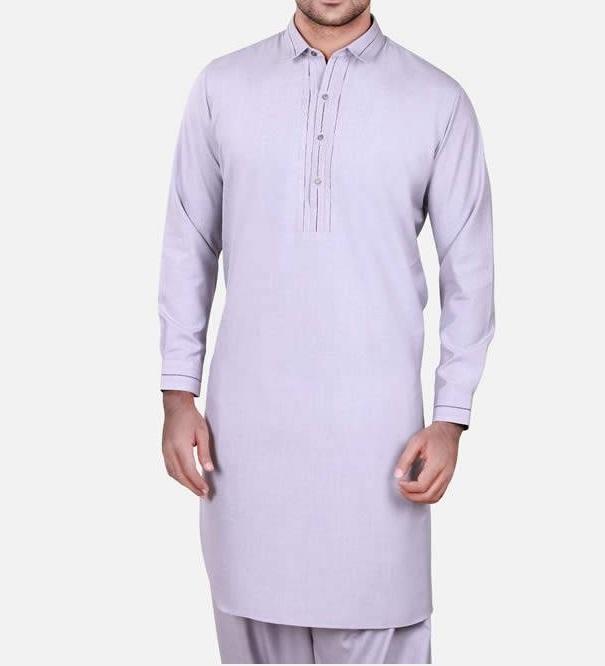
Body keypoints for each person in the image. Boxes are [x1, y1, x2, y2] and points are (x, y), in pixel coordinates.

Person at [159, 0, 494, 662]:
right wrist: (177, 395)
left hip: (380, 452)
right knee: (249, 616)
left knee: (381, 616)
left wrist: (450, 418)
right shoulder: (223, 87)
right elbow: (187, 245)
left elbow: (471, 273)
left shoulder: (437, 101)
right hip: (245, 449)